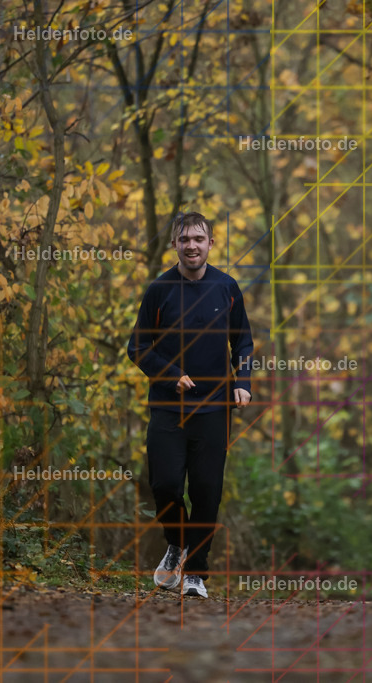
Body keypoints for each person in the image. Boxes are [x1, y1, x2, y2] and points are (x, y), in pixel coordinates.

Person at [126, 212, 253, 598]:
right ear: (174, 245)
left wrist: (243, 383)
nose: (192, 246)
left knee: (206, 491)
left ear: (211, 243)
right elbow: (137, 348)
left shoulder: (227, 287)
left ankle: (196, 573)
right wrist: (169, 374)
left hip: (215, 411)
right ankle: (177, 544)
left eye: (199, 238)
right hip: (168, 408)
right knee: (164, 486)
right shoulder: (159, 291)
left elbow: (243, 343)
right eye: (184, 240)